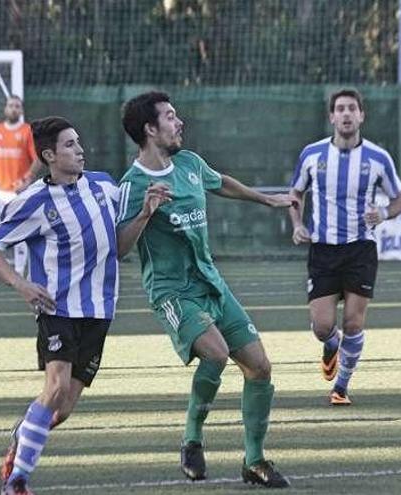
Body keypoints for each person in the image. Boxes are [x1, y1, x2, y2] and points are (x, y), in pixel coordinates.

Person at [116, 91, 296, 488]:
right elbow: (118, 248)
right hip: (172, 291)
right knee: (214, 353)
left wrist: (265, 200)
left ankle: (254, 460)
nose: (179, 123)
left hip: (211, 282)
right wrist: (145, 213)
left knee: (260, 368)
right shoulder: (132, 185)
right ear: (150, 129)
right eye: (170, 117)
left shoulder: (190, 163)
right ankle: (192, 440)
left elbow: (220, 182)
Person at [0, 116, 170, 495]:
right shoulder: (33, 200)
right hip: (59, 308)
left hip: (100, 308)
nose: (79, 149)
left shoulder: (104, 186)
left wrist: (145, 213)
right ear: (49, 155)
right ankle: (18, 479)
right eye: (69, 144)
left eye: (79, 142)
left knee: (61, 409)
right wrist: (21, 285)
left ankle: (22, 437)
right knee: (54, 388)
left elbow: (118, 248)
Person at [287, 88, 401, 406]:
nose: (346, 114)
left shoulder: (379, 158)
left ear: (362, 115)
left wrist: (381, 213)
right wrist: (298, 225)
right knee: (322, 326)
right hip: (323, 249)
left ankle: (341, 386)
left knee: (354, 321)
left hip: (360, 248)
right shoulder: (312, 155)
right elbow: (295, 195)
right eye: (340, 109)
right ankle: (331, 345)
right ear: (332, 117)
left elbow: (398, 200)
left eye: (352, 108)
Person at [0, 95, 41, 286]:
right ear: (5, 108)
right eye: (10, 105)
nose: (13, 109)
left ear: (21, 110)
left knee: (20, 231)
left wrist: (27, 179)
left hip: (18, 191)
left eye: (17, 106)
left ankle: (19, 272)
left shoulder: (27, 131)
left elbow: (38, 159)